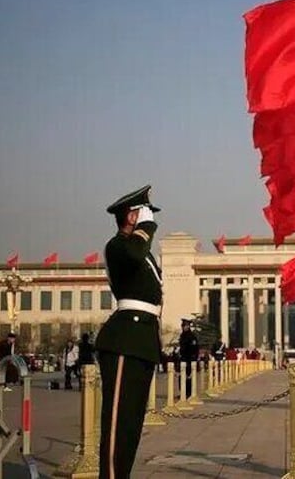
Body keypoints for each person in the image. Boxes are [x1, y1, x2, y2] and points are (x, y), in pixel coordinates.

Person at [95, 185, 164, 478]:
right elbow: (135, 254)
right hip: (125, 339)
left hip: (142, 339)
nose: (151, 218)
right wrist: (145, 226)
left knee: (132, 423)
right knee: (118, 423)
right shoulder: (118, 246)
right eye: (144, 212)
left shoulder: (140, 250)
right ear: (131, 216)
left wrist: (144, 228)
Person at [178, 319, 200, 397]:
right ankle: (182, 393)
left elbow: (194, 349)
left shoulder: (191, 336)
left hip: (189, 359)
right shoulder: (182, 335)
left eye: (186, 326)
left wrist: (192, 359)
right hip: (183, 359)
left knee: (188, 378)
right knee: (181, 377)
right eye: (183, 326)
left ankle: (188, 393)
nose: (184, 327)